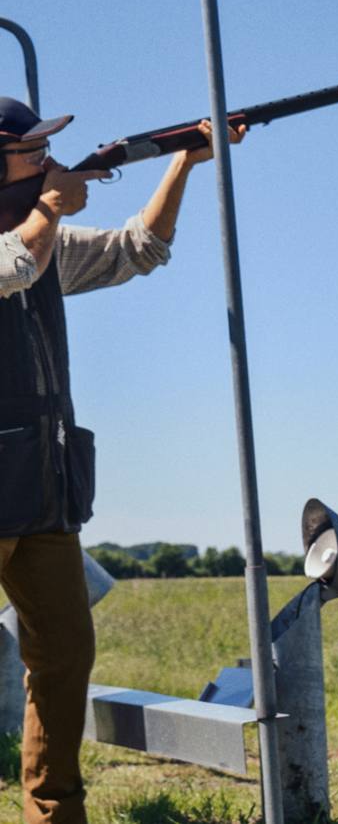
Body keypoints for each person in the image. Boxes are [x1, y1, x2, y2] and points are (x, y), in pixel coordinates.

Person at [0, 98, 244, 824]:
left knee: (66, 657)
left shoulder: (38, 231)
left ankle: (56, 813)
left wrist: (184, 161)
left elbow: (139, 249)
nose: (47, 160)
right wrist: (48, 205)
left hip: (42, 489)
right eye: (30, 151)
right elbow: (15, 267)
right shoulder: (29, 238)